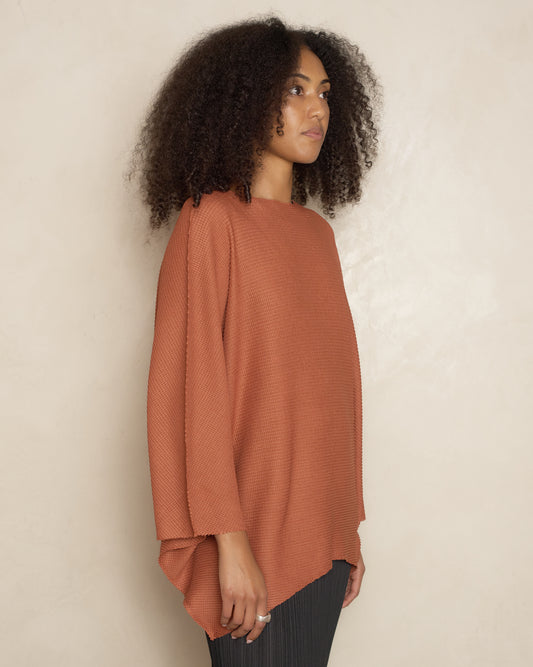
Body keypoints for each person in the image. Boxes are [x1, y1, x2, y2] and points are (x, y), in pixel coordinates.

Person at [128, 14, 382, 666]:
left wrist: (346, 531)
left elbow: (336, 395)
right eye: (294, 89)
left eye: (324, 93)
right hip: (247, 536)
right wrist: (229, 540)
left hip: (320, 534)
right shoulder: (208, 222)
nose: (316, 109)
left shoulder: (317, 237)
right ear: (241, 100)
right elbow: (191, 394)